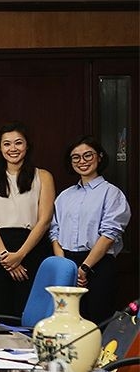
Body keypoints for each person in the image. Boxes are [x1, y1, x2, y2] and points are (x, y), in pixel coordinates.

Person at [50, 136, 130, 323]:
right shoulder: (64, 196)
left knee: (98, 321)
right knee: (67, 322)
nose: (82, 161)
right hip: (68, 263)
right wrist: (65, 267)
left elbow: (109, 234)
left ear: (99, 157)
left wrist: (84, 268)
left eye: (88, 155)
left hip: (98, 265)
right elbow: (54, 231)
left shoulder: (111, 193)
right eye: (76, 157)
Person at [0, 122, 54, 317]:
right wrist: (6, 256)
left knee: (28, 309)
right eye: (7, 144)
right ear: (0, 148)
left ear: (27, 146)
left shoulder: (43, 176)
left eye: (18, 143)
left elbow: (44, 220)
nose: (13, 149)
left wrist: (20, 255)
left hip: (31, 248)